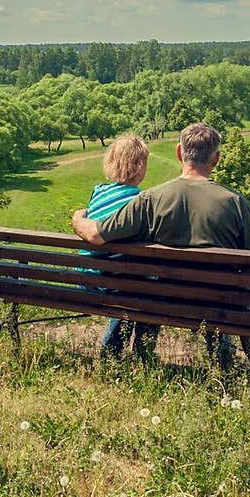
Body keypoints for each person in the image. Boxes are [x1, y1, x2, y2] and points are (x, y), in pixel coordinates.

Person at [71, 121, 250, 373]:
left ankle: (143, 357)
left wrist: (78, 220)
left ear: (179, 152)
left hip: (168, 298)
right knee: (244, 296)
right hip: (221, 304)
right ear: (216, 159)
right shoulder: (235, 203)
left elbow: (97, 234)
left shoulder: (150, 199)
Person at [78, 133, 152, 358]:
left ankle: (113, 352)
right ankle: (143, 351)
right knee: (148, 286)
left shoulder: (98, 192)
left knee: (129, 278)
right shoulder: (142, 201)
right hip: (117, 285)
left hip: (90, 278)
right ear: (139, 167)